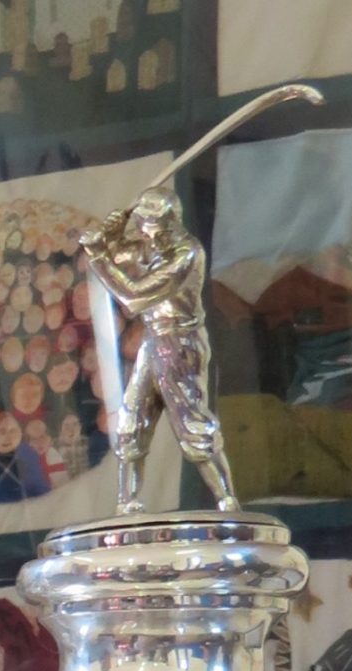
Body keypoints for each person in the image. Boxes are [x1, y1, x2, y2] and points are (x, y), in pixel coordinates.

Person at [82, 189, 235, 511]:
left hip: (181, 342)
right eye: (146, 229)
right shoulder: (145, 245)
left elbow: (133, 298)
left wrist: (99, 256)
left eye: (159, 229)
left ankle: (227, 500)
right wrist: (110, 235)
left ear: (172, 224)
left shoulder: (186, 252)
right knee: (131, 422)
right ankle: (127, 503)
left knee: (193, 428)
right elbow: (119, 257)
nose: (153, 238)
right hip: (153, 341)